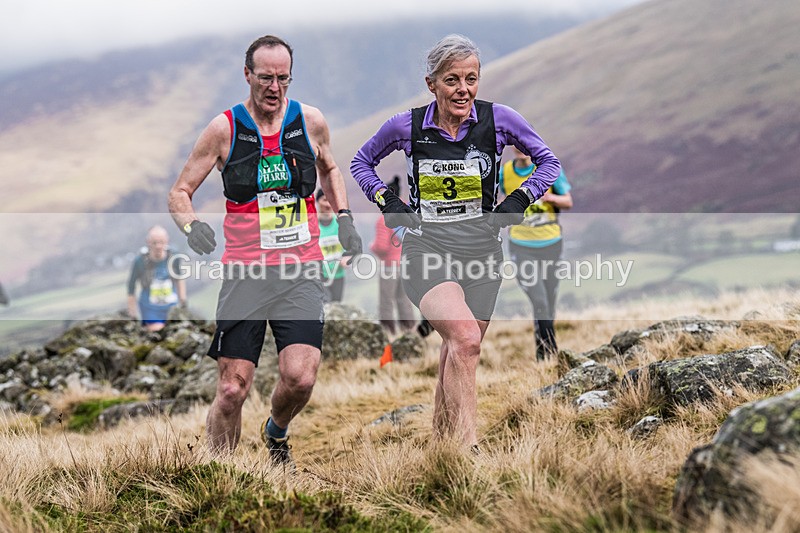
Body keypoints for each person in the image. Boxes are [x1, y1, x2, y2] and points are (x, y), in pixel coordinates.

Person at [351, 34, 560, 449]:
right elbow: (361, 162)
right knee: (466, 339)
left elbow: (548, 162)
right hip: (426, 251)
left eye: (471, 79)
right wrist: (389, 202)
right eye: (452, 80)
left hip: (482, 255)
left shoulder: (499, 119)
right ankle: (468, 449)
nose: (463, 89)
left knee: (457, 350)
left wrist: (516, 201)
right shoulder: (406, 126)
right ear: (432, 84)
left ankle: (440, 448)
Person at [167, 35, 362, 464]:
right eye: (266, 78)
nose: (275, 88)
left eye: (283, 79)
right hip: (246, 274)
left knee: (300, 379)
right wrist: (191, 226)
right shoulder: (224, 130)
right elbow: (180, 192)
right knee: (233, 388)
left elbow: (329, 166)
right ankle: (221, 476)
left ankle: (276, 432)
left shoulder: (310, 121)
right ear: (247, 76)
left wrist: (344, 217)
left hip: (301, 270)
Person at [500, 146, 572, 361]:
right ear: (512, 146)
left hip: (551, 244)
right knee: (539, 300)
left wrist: (550, 198)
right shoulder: (505, 173)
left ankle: (543, 353)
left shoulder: (549, 169)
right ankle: (550, 356)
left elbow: (568, 201)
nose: (521, 148)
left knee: (548, 302)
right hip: (521, 246)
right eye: (516, 143)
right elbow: (503, 200)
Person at [370, 176, 417, 335]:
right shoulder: (407, 214)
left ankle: (388, 334)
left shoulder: (384, 219)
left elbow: (382, 247)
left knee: (386, 302)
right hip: (406, 264)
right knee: (404, 300)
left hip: (390, 266)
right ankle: (410, 333)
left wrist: (372, 247)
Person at [126, 225, 186, 332]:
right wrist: (132, 312)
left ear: (167, 241)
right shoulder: (140, 261)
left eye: (161, 242)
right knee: (159, 332)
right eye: (154, 243)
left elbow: (179, 278)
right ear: (148, 242)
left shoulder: (174, 257)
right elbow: (131, 286)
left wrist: (183, 301)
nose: (158, 246)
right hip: (150, 307)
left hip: (171, 306)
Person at [316, 189, 347, 302]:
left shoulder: (340, 223)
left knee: (336, 307)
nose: (328, 204)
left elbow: (349, 247)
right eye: (324, 200)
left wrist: (347, 257)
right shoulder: (313, 224)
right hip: (319, 275)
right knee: (324, 306)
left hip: (338, 275)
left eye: (330, 200)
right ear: (317, 201)